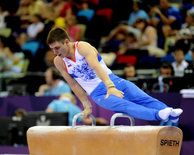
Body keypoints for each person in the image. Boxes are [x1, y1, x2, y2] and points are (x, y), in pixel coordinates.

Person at [46, 27, 183, 123]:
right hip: (98, 94)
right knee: (126, 106)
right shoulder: (59, 61)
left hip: (113, 81)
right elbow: (74, 84)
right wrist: (87, 105)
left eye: (57, 47)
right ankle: (159, 115)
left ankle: (169, 112)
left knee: (142, 97)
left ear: (66, 42)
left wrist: (110, 86)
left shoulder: (82, 47)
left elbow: (96, 67)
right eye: (52, 49)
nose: (55, 52)